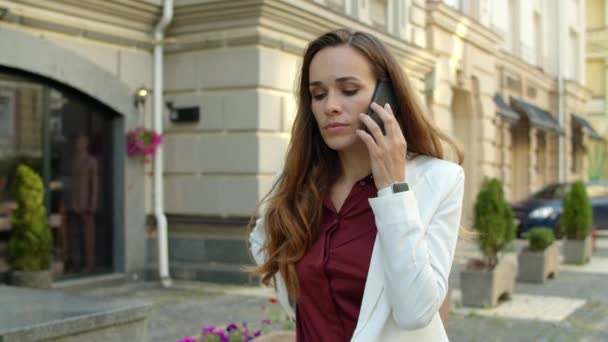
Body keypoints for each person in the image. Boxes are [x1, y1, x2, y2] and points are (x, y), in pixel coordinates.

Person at [249, 29, 465, 341]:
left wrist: (393, 189)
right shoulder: (298, 179)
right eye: (318, 95)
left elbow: (415, 311)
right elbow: (263, 246)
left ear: (387, 97)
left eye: (349, 90)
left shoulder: (439, 179)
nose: (330, 106)